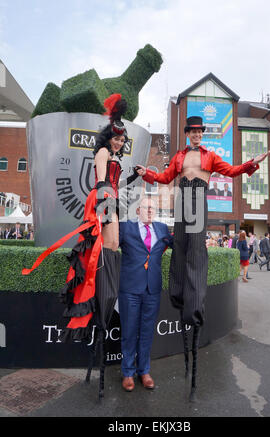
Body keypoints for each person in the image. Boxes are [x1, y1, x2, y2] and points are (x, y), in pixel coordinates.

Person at [136, 115, 270, 400]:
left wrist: (252, 163)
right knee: (180, 248)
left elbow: (233, 171)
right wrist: (146, 173)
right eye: (192, 131)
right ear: (187, 134)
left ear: (202, 134)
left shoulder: (210, 156)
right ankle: (179, 295)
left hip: (198, 201)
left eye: (199, 131)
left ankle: (193, 308)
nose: (196, 135)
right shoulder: (180, 156)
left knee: (196, 251)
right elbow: (163, 178)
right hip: (182, 201)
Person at [22, 94, 140, 400]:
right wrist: (105, 207)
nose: (119, 142)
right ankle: (103, 290)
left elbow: (113, 184)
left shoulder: (115, 157)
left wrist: (132, 179)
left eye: (122, 139)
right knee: (109, 244)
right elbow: (101, 183)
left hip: (109, 197)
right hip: (102, 199)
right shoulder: (102, 152)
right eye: (116, 137)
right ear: (108, 136)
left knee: (112, 247)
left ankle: (106, 288)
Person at [118, 196, 173, 392]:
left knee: (147, 332)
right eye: (146, 207)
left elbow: (179, 245)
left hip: (152, 289)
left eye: (153, 208)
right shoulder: (125, 228)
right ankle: (127, 373)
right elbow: (108, 243)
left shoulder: (162, 229)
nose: (150, 211)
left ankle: (144, 371)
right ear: (137, 211)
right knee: (129, 331)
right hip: (130, 289)